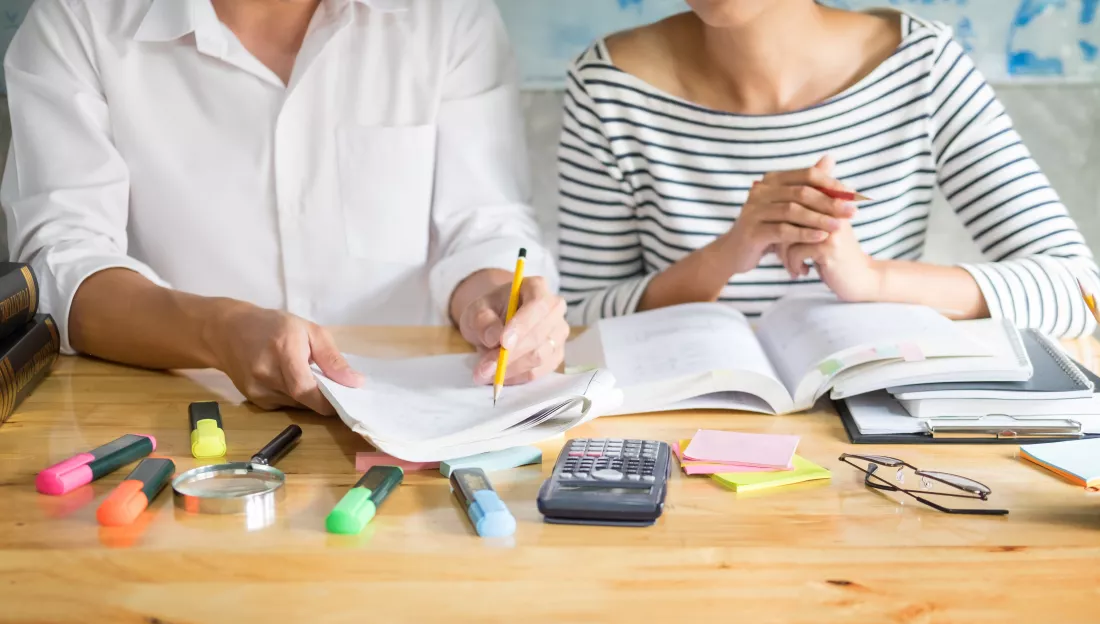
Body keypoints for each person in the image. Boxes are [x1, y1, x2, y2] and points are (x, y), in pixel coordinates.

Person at [3, 0, 570, 415]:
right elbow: (61, 270)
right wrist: (215, 331)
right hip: (179, 415)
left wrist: (498, 299)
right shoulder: (76, 18)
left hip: (417, 423)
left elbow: (485, 222)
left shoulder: (448, 15)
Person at [557, 0, 1099, 338]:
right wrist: (726, 255)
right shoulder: (606, 86)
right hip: (680, 443)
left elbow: (1082, 293)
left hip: (880, 447)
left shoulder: (922, 64)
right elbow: (578, 319)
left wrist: (871, 279)